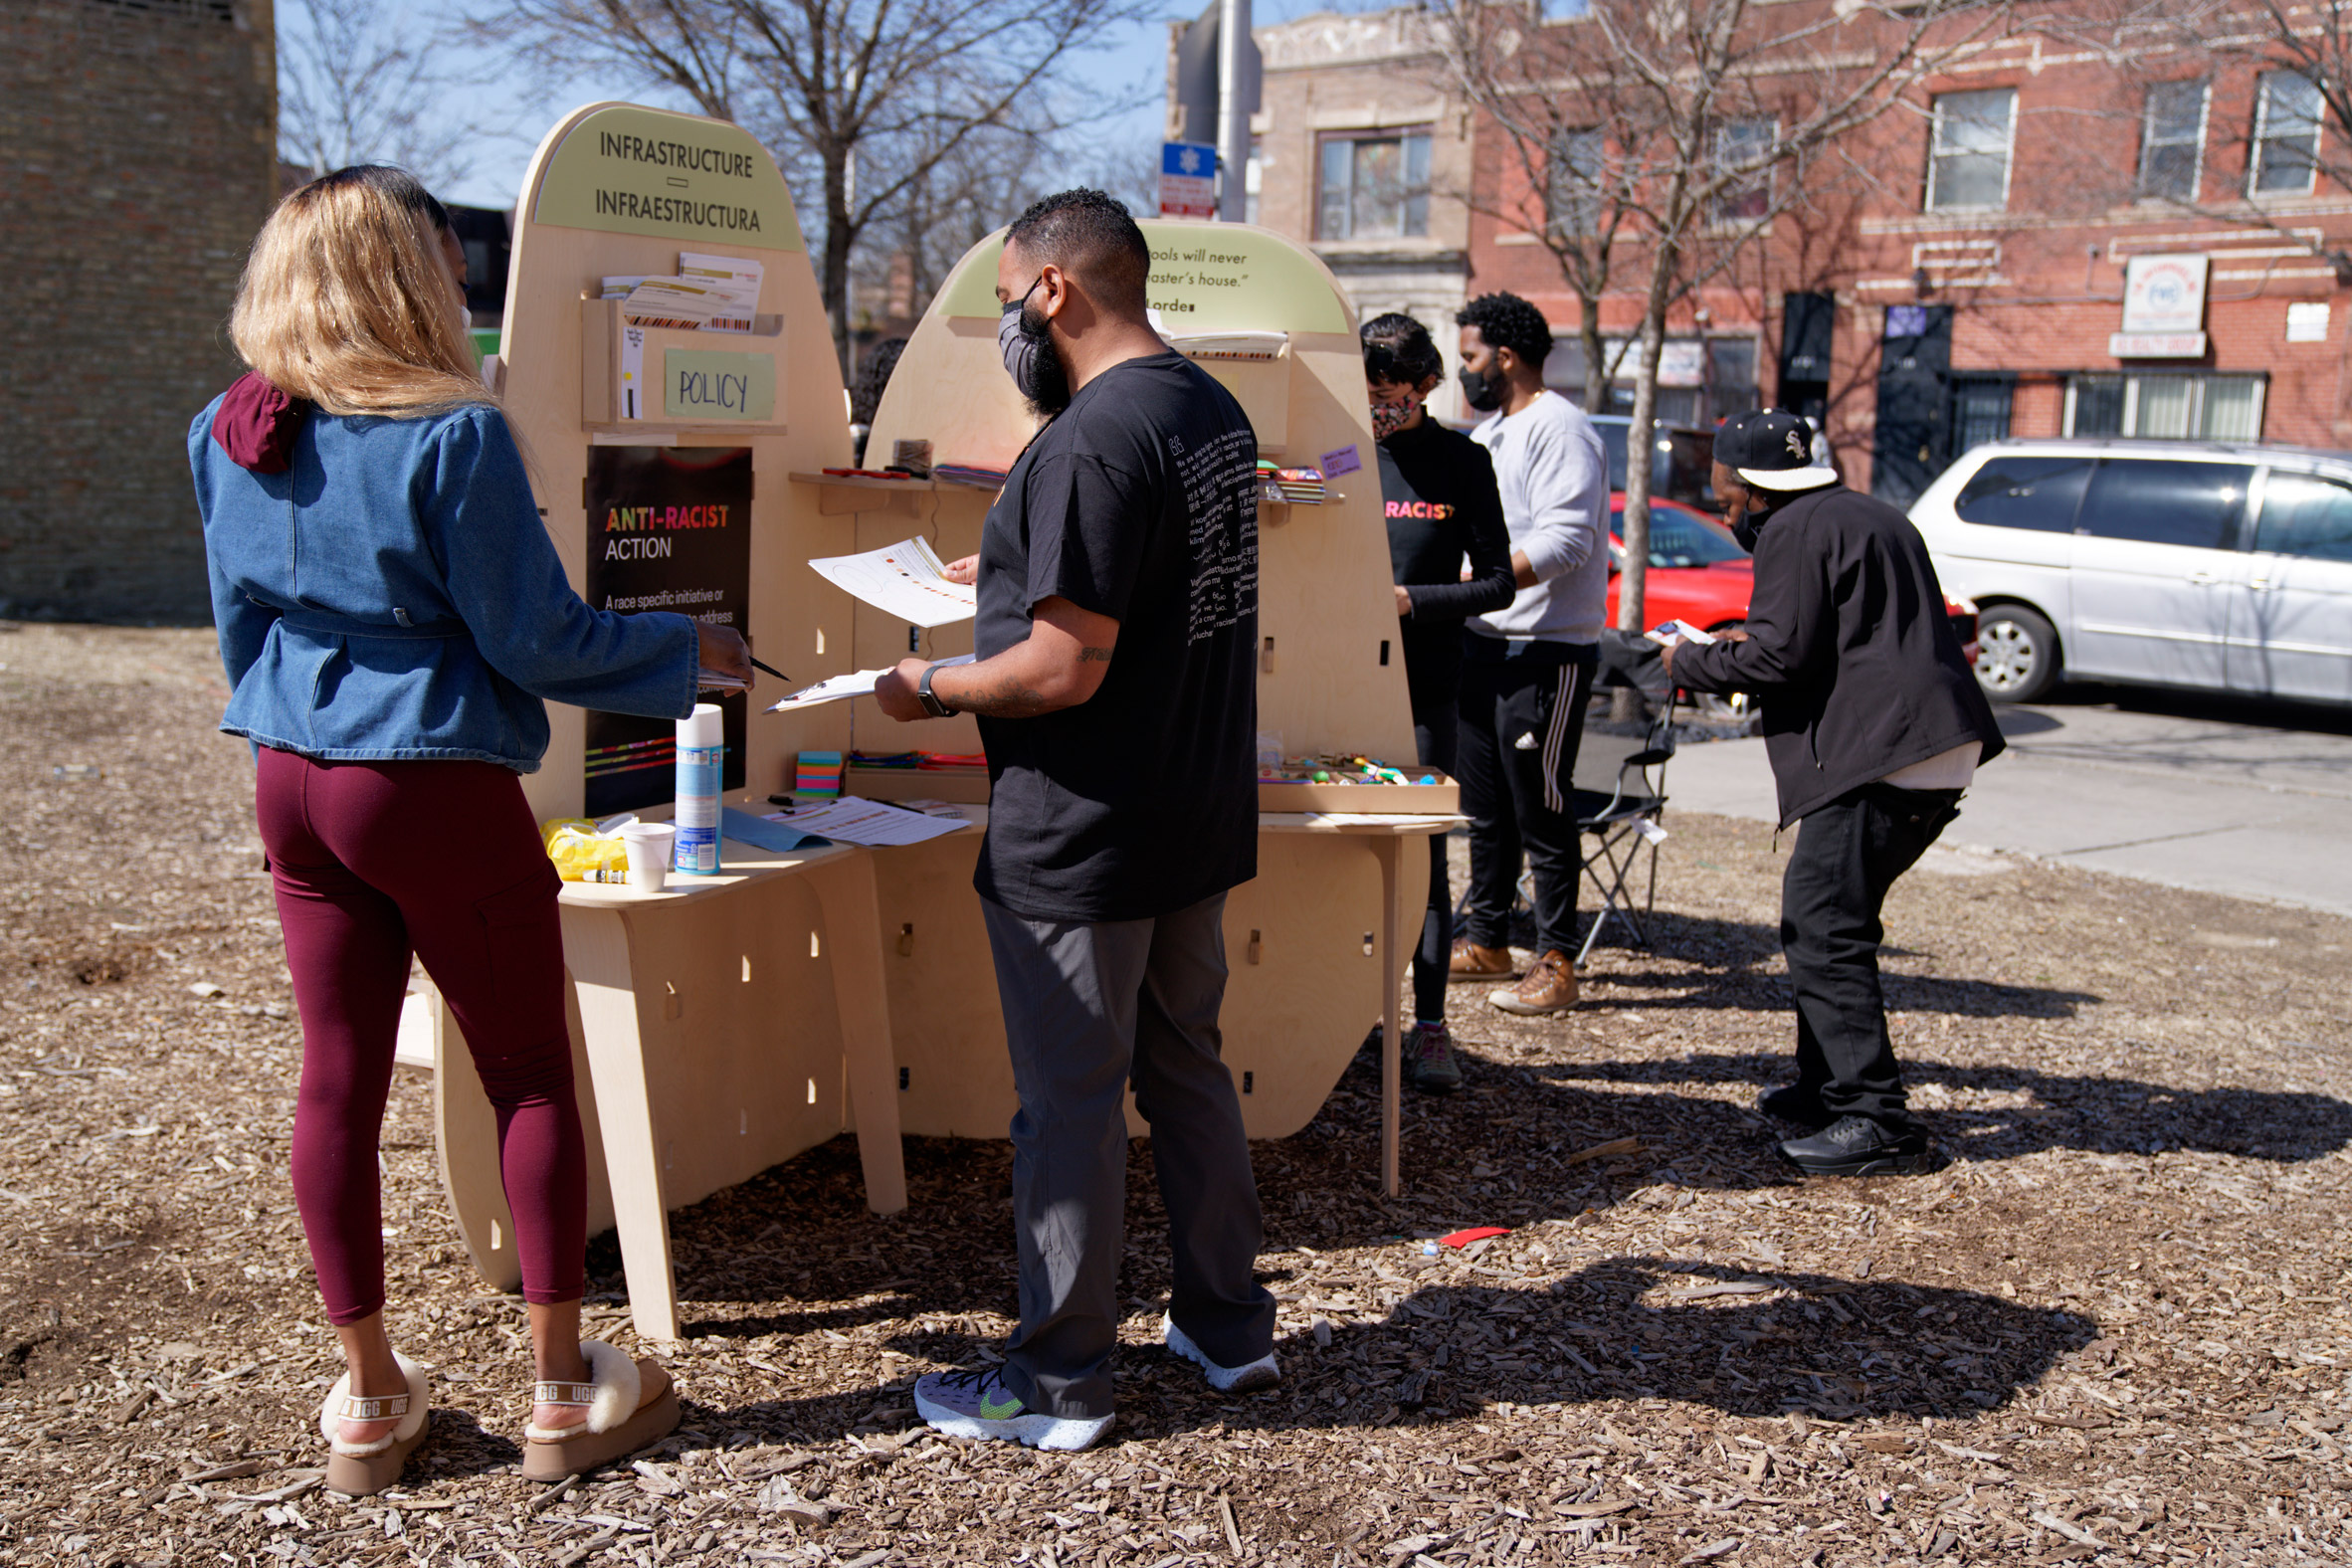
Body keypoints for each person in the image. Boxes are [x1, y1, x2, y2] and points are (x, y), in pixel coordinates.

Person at [187, 166, 748, 1492]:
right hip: (427, 779)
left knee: (337, 1076)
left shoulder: (229, 426)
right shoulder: (454, 435)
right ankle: (564, 1389)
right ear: (407, 278)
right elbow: (536, 637)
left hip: (291, 770)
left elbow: (239, 632)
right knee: (528, 1072)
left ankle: (371, 1401)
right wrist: (690, 646)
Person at [872, 190, 1276, 1453]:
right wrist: (996, 570)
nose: (1005, 324)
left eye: (1004, 299)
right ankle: (1227, 1325)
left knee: (1070, 1105)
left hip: (1087, 835)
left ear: (1054, 289)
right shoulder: (1208, 408)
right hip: (1188, 813)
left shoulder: (1094, 439)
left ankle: (1058, 1380)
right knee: (1189, 1069)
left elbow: (1061, 670)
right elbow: (1143, 590)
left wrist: (924, 683)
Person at [1662, 408, 2005, 1177]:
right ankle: (1824, 1087)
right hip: (1931, 747)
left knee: (1820, 925)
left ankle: (1874, 1120)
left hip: (1884, 756)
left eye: (1723, 496)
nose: (1722, 510)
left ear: (1753, 487)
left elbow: (1780, 659)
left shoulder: (1791, 529)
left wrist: (1690, 661)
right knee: (1834, 919)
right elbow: (1837, 636)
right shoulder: (1870, 514)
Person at [1360, 312, 1516, 1090]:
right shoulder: (1340, 452)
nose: (1377, 407)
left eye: (1390, 394)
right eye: (1365, 392)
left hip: (1426, 684)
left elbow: (1498, 582)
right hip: (1341, 680)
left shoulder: (1461, 461)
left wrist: (1411, 601)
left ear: (1426, 386)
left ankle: (1429, 1030)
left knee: (1423, 853)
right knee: (1336, 851)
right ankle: (1347, 1015)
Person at [1447, 293, 1613, 1016]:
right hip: (1485, 643)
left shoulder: (1561, 428)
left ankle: (1557, 961)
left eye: (1471, 357)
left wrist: (1475, 586)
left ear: (1506, 358)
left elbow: (1569, 540)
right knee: (1486, 810)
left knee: (1542, 809)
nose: (1465, 371)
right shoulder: (1493, 433)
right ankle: (1487, 939)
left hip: (1548, 650)